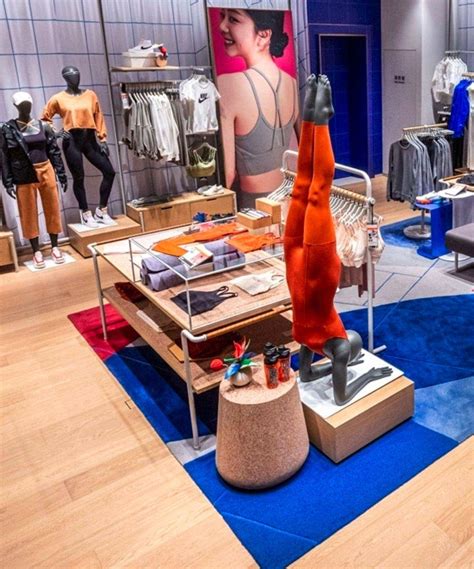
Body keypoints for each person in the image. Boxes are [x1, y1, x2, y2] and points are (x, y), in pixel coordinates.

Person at [284, 75, 391, 405]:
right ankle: (311, 113)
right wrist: (360, 372)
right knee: (303, 187)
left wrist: (359, 372)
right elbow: (311, 377)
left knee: (317, 188)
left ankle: (319, 117)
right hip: (295, 266)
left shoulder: (335, 343)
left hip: (317, 268)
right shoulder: (306, 339)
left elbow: (327, 387)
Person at [217, 9, 299, 208]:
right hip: (290, 197)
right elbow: (297, 154)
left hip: (255, 206)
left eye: (233, 19)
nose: (222, 26)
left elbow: (228, 174)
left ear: (264, 34)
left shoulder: (227, 85)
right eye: (222, 17)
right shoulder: (292, 83)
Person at [42, 66, 116, 228]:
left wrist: (102, 139)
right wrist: (56, 133)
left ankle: (101, 210)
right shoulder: (58, 98)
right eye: (71, 75)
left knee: (109, 172)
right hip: (72, 141)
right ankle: (85, 213)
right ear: (65, 78)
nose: (75, 78)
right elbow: (45, 119)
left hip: (90, 139)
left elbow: (98, 115)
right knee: (79, 177)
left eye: (77, 74)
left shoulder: (90, 95)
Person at [1, 91, 67, 269]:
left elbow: (54, 151)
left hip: (46, 168)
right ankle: (36, 250)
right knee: (28, 211)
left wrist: (61, 174)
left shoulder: (43, 126)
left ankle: (55, 246)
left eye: (28, 104)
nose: (25, 107)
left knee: (52, 207)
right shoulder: (8, 129)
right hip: (24, 173)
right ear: (15, 106)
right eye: (22, 105)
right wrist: (7, 182)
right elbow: (4, 156)